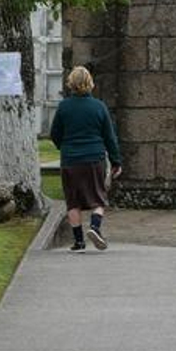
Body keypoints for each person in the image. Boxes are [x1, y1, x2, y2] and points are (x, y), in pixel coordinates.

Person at [49, 65, 122, 251]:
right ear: (90, 83)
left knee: (73, 201)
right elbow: (109, 137)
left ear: (71, 84)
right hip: (94, 158)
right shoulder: (99, 107)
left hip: (70, 159)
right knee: (98, 198)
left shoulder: (64, 107)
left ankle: (79, 241)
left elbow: (55, 133)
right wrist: (116, 161)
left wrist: (63, 147)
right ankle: (95, 227)